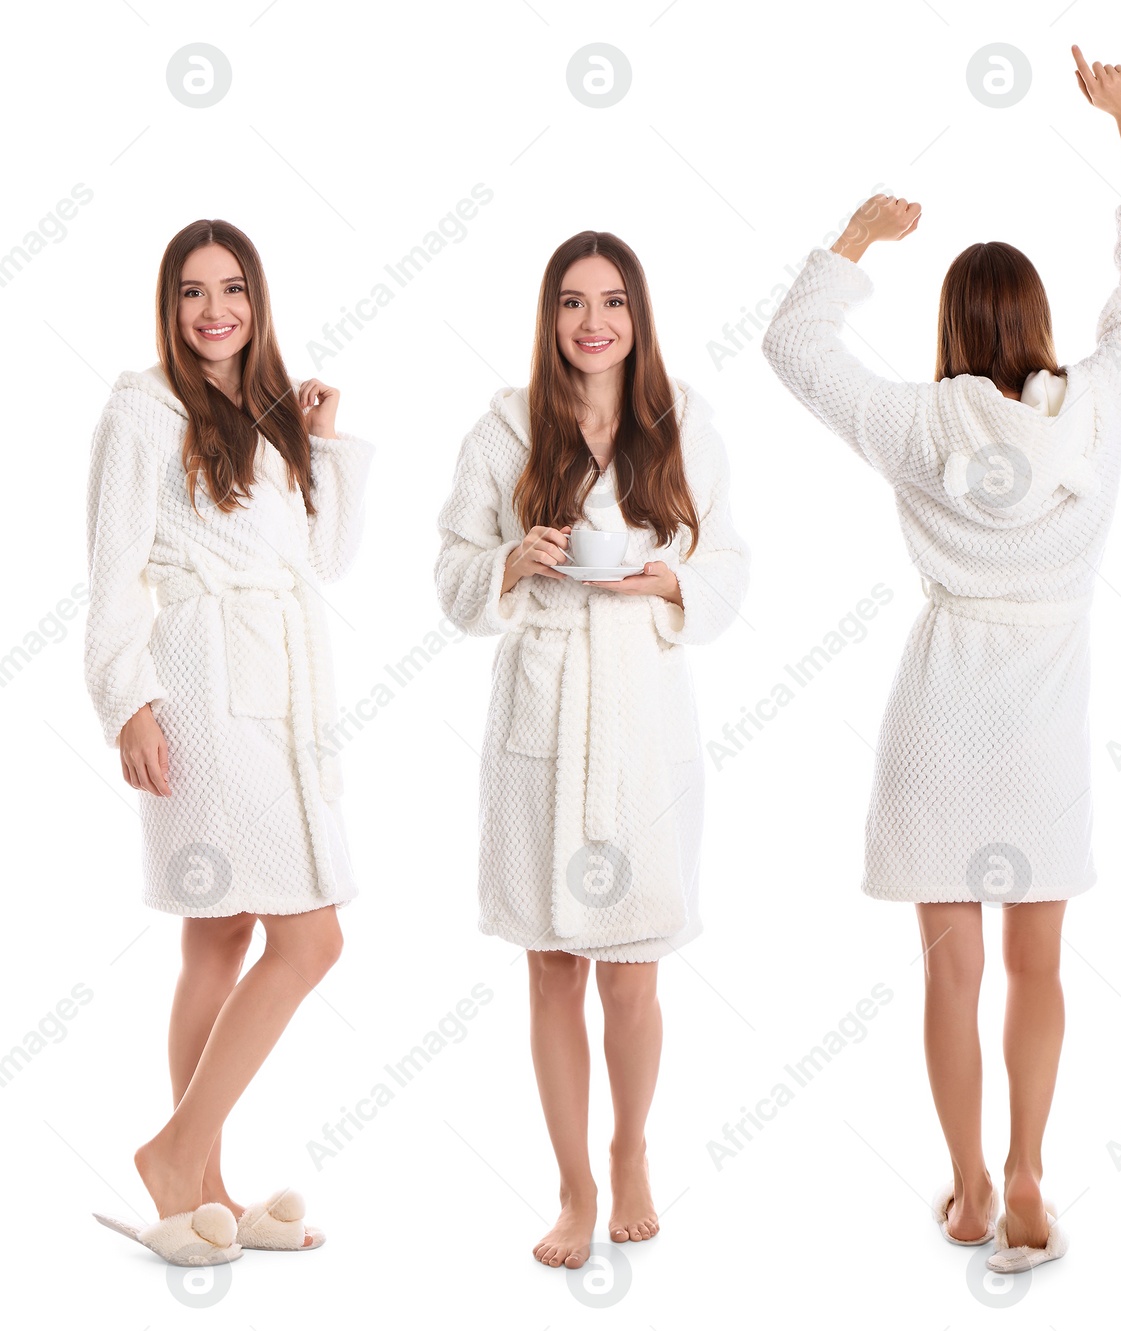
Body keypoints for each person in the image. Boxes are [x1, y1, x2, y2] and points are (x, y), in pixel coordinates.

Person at [760, 46, 1121, 1272]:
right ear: (1041, 326)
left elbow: (795, 348)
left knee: (950, 973)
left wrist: (854, 238)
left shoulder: (910, 424)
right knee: (1037, 966)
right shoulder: (1094, 412)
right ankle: (1029, 1176)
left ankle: (963, 1189)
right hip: (1045, 715)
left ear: (950, 326)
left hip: (940, 709)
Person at [435, 230, 751, 1269]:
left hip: (643, 723)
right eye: (573, 302)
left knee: (634, 971)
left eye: (612, 301)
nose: (592, 322)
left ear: (638, 315)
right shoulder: (503, 431)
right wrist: (511, 563)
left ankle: (630, 1151)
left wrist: (667, 582)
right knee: (551, 967)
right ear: (549, 315)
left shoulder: (681, 423)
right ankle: (572, 1185)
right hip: (543, 712)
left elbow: (726, 560)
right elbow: (450, 573)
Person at [85, 219, 374, 1264]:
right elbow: (113, 566)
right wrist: (128, 699)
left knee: (222, 934)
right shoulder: (141, 411)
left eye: (233, 290)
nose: (214, 311)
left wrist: (323, 440)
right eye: (193, 293)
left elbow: (324, 559)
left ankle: (201, 1187)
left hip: (281, 681)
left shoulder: (267, 412)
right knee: (310, 937)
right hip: (203, 688)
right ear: (168, 308)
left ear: (257, 302)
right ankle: (178, 1153)